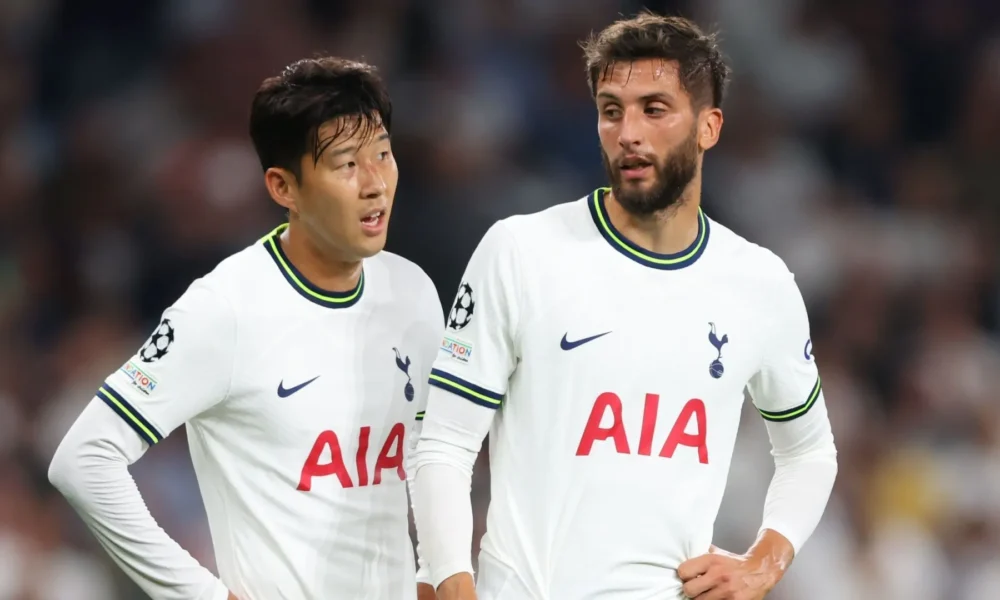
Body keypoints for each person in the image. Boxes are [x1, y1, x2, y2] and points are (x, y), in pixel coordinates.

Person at [410, 12, 838, 600]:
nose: (628, 132)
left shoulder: (759, 283)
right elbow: (445, 441)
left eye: (653, 110)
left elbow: (810, 451)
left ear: (709, 126)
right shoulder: (521, 252)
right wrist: (451, 579)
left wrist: (765, 560)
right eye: (612, 110)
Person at [48, 57, 440, 600]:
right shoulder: (224, 309)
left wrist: (433, 574)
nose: (375, 183)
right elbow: (83, 459)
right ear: (284, 187)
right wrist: (200, 594)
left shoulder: (414, 293)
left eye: (382, 154)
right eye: (347, 164)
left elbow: (423, 464)